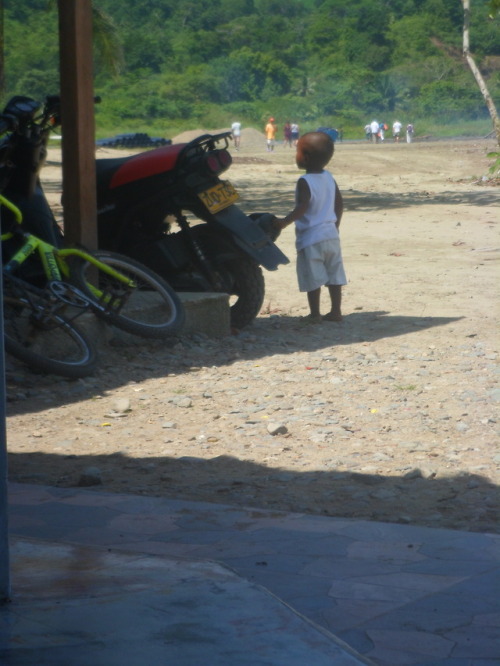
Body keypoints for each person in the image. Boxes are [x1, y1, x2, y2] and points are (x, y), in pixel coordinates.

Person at [274, 131, 347, 324]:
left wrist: (284, 222)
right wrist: (336, 225)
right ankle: (336, 311)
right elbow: (339, 204)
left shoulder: (305, 181)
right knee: (334, 274)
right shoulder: (329, 177)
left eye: (297, 151)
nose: (295, 155)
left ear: (305, 158)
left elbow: (302, 207)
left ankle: (315, 314)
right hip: (331, 235)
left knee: (313, 275)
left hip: (311, 238)